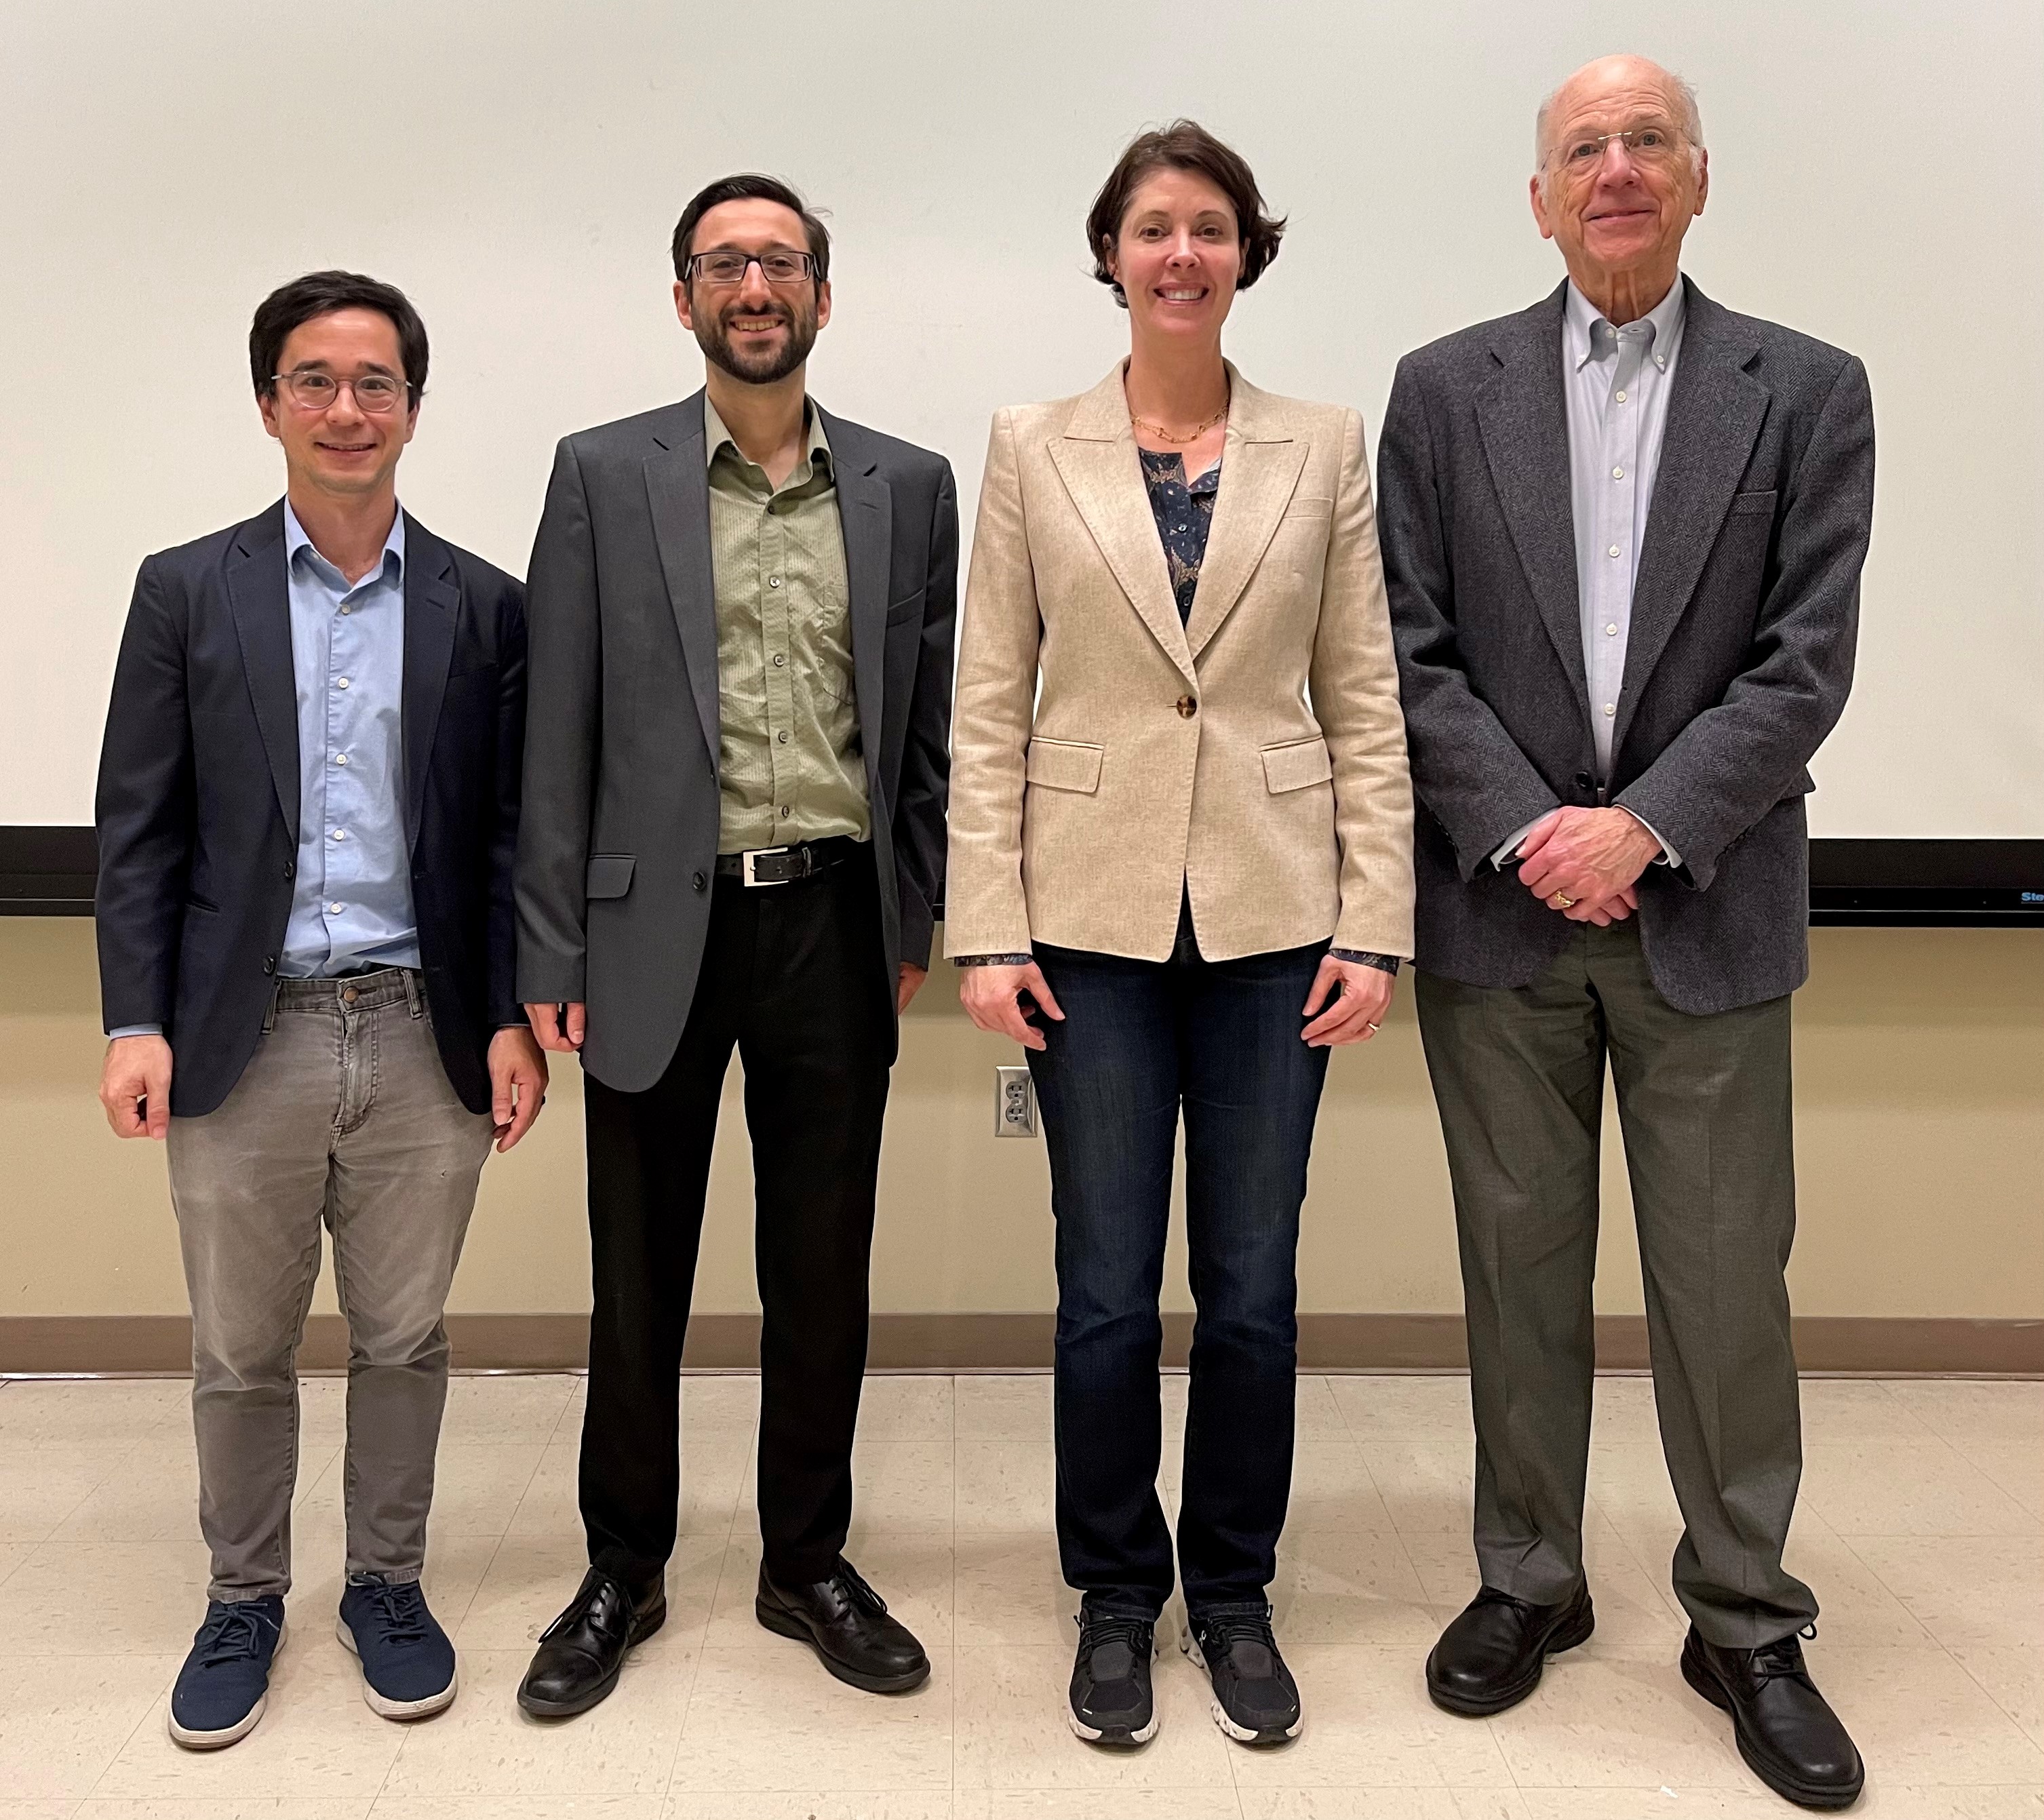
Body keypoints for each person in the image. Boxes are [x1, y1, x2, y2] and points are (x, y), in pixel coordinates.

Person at [1377, 55, 1871, 1811]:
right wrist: (1530, 828)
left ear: (1695, 176)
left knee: (1723, 1289)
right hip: (1499, 919)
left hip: (1705, 908)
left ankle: (1741, 1613)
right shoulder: (1439, 393)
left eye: (1641, 141)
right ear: (1535, 195)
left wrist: (1644, 824)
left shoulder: (1802, 390)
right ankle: (1529, 1575)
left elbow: (1800, 662)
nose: (1610, 170)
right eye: (1578, 147)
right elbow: (1406, 654)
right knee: (1515, 1276)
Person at [947, 121, 1415, 1749]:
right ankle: (1113, 1594)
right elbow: (990, 690)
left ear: (1244, 254)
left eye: (1208, 226)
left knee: (1253, 1284)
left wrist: (1376, 920)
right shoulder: (1031, 443)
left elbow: (1361, 692)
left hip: (1279, 917)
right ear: (1109, 255)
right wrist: (984, 926)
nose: (1179, 252)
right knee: (1098, 1288)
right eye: (1151, 226)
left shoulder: (1322, 443)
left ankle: (1231, 1588)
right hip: (1083, 916)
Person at [514, 174, 957, 1716]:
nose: (752, 285)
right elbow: (552, 725)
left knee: (819, 1262)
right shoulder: (601, 474)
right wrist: (548, 947)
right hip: (649, 926)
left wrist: (914, 901)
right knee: (636, 1264)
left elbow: (927, 734)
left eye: (780, 262)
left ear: (823, 298)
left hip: (833, 917)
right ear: (683, 296)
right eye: (724, 262)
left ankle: (803, 1559)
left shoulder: (907, 484)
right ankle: (621, 1567)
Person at [94, 271, 544, 1748]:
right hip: (245, 1030)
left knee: (406, 1339)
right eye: (314, 380)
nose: (346, 410)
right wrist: (131, 1019)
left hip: (427, 1028)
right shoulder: (187, 588)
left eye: (375, 383)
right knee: (240, 1348)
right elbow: (140, 830)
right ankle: (242, 1597)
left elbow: (501, 837)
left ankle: (386, 1585)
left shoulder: (482, 602)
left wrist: (512, 1016)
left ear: (414, 406)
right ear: (268, 402)